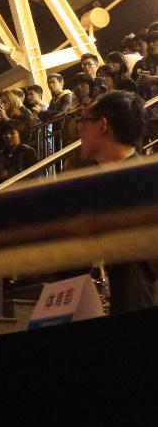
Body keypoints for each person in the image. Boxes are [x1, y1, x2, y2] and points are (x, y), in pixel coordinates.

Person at [77, 91, 156, 314]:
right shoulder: (98, 185)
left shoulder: (145, 183)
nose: (79, 131)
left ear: (102, 125)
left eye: (83, 122)